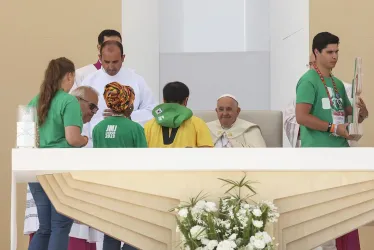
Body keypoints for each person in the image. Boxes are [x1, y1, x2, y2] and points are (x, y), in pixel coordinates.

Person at [295, 32, 369, 250]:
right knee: (322, 214)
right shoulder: (308, 80)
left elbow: (348, 114)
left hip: (341, 154)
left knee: (345, 212)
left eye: (337, 52)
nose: (335, 56)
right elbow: (302, 117)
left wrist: (361, 113)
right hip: (318, 155)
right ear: (316, 52)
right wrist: (333, 128)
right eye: (329, 52)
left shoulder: (336, 82)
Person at [25, 86, 100, 250]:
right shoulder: (69, 115)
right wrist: (85, 140)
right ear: (76, 100)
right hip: (59, 175)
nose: (94, 112)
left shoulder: (42, 104)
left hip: (36, 170)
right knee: (59, 226)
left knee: (45, 228)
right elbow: (72, 142)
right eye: (92, 106)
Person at [93, 82, 146, 250]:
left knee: (110, 234)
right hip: (131, 189)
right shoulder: (135, 128)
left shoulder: (98, 129)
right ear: (128, 104)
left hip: (107, 189)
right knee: (134, 235)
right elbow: (145, 161)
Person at [81, 40, 156, 145]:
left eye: (115, 62)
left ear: (123, 58)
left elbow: (151, 111)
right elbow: (78, 114)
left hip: (128, 143)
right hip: (96, 143)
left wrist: (126, 117)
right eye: (106, 62)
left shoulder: (137, 80)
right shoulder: (89, 81)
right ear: (100, 58)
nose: (111, 67)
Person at [284, 53, 358, 147]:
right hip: (315, 144)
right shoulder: (306, 86)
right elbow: (292, 120)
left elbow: (352, 116)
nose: (314, 67)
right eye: (311, 63)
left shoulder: (342, 87)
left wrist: (361, 113)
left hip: (340, 144)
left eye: (316, 63)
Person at [144, 81, 213, 148]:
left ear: (164, 100)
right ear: (186, 100)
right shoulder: (198, 124)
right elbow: (206, 154)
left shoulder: (149, 125)